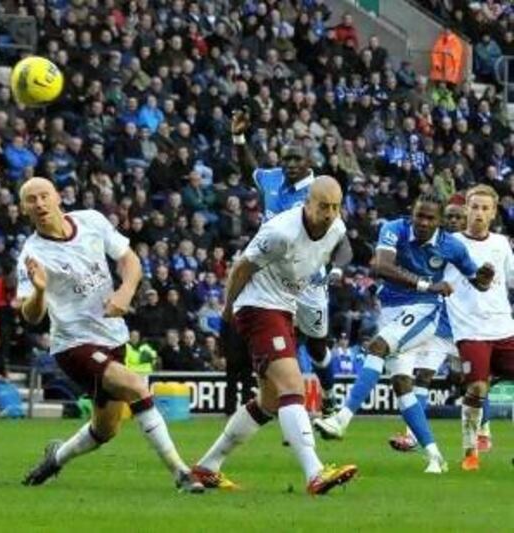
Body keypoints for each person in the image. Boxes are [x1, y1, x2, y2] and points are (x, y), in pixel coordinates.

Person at [16, 177, 203, 493]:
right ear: (24, 209)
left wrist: (125, 291)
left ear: (58, 197)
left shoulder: (91, 220)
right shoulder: (32, 254)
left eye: (44, 196)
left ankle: (56, 458)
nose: (40, 204)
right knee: (135, 384)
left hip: (112, 336)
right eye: (31, 200)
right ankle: (181, 473)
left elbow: (129, 260)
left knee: (106, 429)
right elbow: (31, 316)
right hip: (74, 343)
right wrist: (39, 291)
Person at [191, 176, 358, 495]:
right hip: (257, 308)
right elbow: (241, 268)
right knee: (293, 385)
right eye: (323, 206)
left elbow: (335, 248)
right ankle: (315, 473)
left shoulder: (335, 228)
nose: (330, 213)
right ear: (307, 203)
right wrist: (227, 315)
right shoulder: (280, 232)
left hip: (284, 309)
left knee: (268, 401)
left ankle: (206, 467)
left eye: (336, 207)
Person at [314, 193, 494, 474]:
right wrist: (426, 284)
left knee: (377, 347)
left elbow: (478, 281)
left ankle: (341, 419)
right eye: (419, 216)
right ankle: (436, 457)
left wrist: (484, 278)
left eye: (429, 218)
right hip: (391, 309)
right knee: (402, 387)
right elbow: (381, 266)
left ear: (440, 222)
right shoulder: (394, 228)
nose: (422, 222)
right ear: (412, 214)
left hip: (424, 311)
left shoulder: (452, 246)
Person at [232, 112, 345, 415]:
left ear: (309, 161)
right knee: (280, 339)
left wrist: (335, 269)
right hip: (270, 278)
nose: (290, 164)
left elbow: (339, 238)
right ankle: (285, 404)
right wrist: (239, 139)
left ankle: (330, 394)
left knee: (317, 345)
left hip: (308, 279)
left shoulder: (318, 192)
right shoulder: (272, 180)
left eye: (297, 159)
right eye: (286, 159)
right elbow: (248, 172)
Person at [443, 185, 514, 470]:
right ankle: (470, 450)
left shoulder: (500, 244)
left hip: (504, 327)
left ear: (494, 212)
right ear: (466, 210)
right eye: (474, 207)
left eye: (485, 208)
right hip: (470, 330)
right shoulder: (450, 244)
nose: (479, 213)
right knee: (477, 387)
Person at [387, 203, 467, 452]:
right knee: (423, 375)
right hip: (441, 322)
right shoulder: (436, 245)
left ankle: (482, 432)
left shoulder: (465, 249)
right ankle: (412, 435)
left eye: (458, 217)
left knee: (471, 381)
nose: (453, 221)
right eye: (450, 216)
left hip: (469, 326)